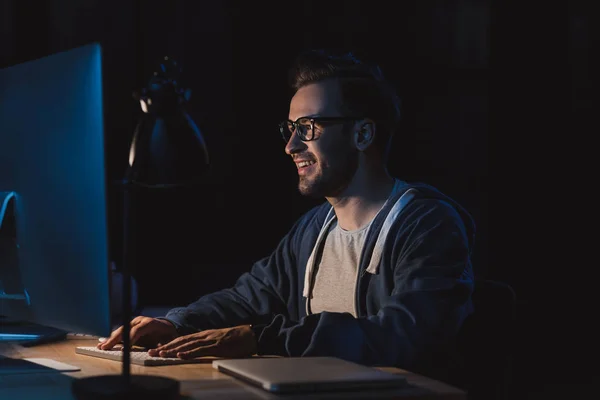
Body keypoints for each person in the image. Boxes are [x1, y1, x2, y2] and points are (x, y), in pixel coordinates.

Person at [99, 48, 475, 383]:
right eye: (290, 129)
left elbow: (400, 336)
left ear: (362, 134)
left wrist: (262, 338)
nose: (291, 146)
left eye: (307, 128)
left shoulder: (427, 225)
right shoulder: (314, 228)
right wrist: (174, 323)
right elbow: (247, 299)